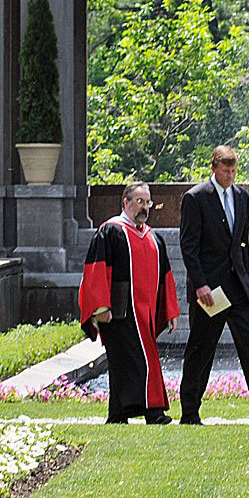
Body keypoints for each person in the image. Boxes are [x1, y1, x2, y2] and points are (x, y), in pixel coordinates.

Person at [179, 146, 249, 426]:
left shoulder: (241, 197)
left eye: (233, 170)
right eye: (225, 170)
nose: (230, 175)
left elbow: (242, 244)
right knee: (201, 350)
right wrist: (200, 285)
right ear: (214, 167)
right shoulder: (196, 198)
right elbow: (189, 247)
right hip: (211, 291)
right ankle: (189, 414)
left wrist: (247, 282)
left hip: (238, 289)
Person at [78, 182, 181, 425]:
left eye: (147, 202)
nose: (144, 207)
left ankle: (117, 415)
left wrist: (170, 311)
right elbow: (96, 270)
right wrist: (100, 308)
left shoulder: (153, 238)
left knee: (123, 364)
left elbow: (166, 277)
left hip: (146, 312)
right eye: (139, 201)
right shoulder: (111, 231)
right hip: (119, 312)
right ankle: (152, 411)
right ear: (126, 202)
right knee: (140, 360)